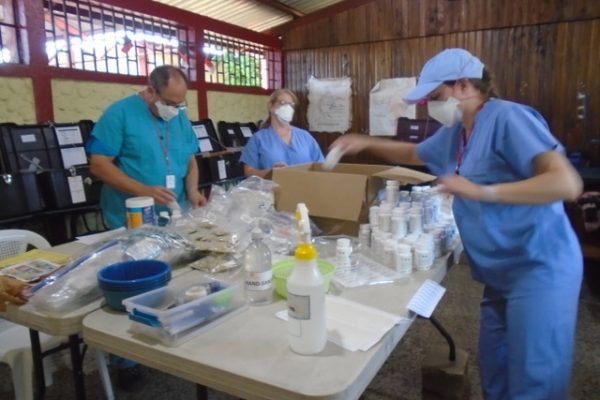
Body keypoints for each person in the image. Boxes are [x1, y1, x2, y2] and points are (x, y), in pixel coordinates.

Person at [332, 48, 583, 400]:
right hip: (497, 275)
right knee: (495, 371)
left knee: (535, 380)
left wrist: (481, 191)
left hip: (538, 267)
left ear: (464, 85)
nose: (432, 107)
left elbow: (566, 184)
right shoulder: (457, 133)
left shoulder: (508, 119)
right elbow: (412, 154)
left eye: (436, 96)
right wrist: (365, 143)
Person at [88, 65, 207, 228]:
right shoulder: (119, 113)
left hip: (176, 215)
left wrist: (193, 190)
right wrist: (144, 190)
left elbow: (190, 159)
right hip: (132, 219)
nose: (174, 109)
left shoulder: (180, 117)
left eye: (179, 104)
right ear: (151, 91)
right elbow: (99, 165)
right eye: (169, 103)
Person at [240, 88, 324, 177]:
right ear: (270, 106)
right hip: (271, 189)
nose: (287, 108)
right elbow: (248, 172)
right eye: (282, 103)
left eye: (291, 105)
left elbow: (320, 167)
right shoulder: (258, 139)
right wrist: (271, 172)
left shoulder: (305, 137)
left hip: (303, 189)